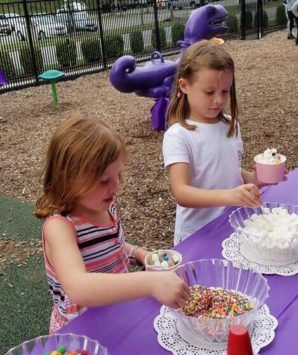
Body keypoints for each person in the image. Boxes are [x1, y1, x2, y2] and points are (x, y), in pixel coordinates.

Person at [35, 114, 189, 332]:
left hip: (117, 313)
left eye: (118, 175)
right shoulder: (59, 226)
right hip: (81, 332)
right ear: (68, 178)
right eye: (104, 181)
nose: (115, 186)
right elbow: (79, 287)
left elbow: (108, 245)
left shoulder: (102, 204)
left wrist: (138, 253)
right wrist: (150, 283)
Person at [162, 40, 263, 245]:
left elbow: (228, 169)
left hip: (233, 227)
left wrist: (256, 178)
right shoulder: (178, 136)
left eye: (225, 91)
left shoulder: (230, 125)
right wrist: (231, 196)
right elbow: (182, 192)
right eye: (209, 92)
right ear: (184, 86)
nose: (218, 100)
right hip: (197, 236)